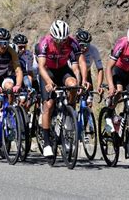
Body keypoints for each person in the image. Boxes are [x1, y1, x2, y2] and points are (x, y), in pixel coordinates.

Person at [37, 20, 89, 157]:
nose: (61, 43)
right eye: (58, 40)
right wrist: (48, 82)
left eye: (63, 40)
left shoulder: (72, 42)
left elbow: (80, 63)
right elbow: (41, 67)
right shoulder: (44, 43)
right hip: (47, 72)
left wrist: (82, 81)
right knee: (48, 105)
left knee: (72, 84)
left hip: (62, 69)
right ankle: (47, 142)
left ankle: (68, 114)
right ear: (52, 36)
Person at [74, 29, 104, 106]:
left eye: (86, 45)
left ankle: (88, 114)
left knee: (89, 102)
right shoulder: (73, 49)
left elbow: (100, 69)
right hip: (74, 74)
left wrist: (99, 86)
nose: (84, 48)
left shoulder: (93, 50)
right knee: (72, 100)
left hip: (86, 74)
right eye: (81, 45)